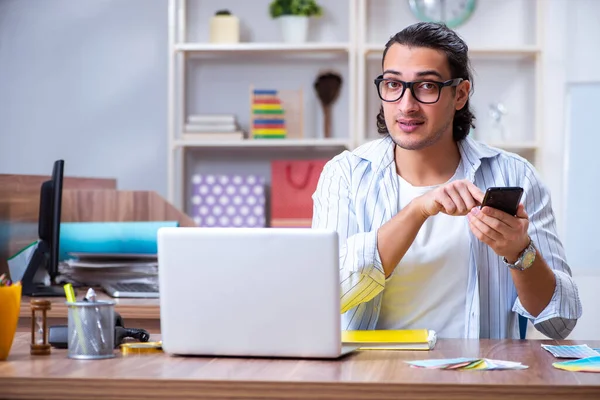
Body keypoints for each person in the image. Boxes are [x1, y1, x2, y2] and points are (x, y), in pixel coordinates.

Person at [312, 22, 581, 340]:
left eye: (426, 86)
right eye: (393, 84)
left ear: (460, 94)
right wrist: (417, 211)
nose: (406, 104)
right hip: (373, 379)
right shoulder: (345, 175)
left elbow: (559, 323)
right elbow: (324, 299)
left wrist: (520, 252)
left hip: (475, 382)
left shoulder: (515, 176)